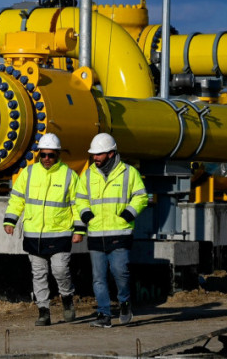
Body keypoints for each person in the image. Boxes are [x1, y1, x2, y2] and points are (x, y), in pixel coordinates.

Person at [3, 133, 84, 326]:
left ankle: (66, 298)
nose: (47, 159)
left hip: (61, 233)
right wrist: (10, 220)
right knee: (38, 274)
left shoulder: (69, 175)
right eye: (43, 155)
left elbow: (78, 205)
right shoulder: (29, 173)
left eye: (51, 155)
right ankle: (43, 311)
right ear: (39, 154)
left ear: (57, 154)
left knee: (60, 270)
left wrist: (79, 230)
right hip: (34, 234)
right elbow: (17, 199)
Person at [75, 132, 148, 328]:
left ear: (111, 153)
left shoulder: (129, 172)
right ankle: (104, 314)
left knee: (120, 272)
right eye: (94, 154)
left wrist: (128, 214)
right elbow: (79, 199)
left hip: (120, 232)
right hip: (96, 233)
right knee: (98, 278)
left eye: (99, 154)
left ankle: (124, 302)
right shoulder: (88, 174)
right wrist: (86, 216)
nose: (95, 157)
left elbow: (141, 197)